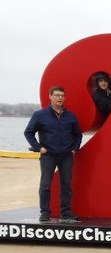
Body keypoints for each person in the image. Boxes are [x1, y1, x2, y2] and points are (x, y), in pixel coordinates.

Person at [24, 86, 83, 222]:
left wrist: (75, 148)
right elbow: (28, 132)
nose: (60, 98)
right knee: (45, 185)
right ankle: (45, 212)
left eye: (62, 96)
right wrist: (38, 147)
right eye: (57, 95)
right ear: (50, 97)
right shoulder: (40, 115)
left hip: (66, 155)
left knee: (66, 185)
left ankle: (66, 212)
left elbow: (77, 134)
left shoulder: (71, 116)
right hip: (48, 155)